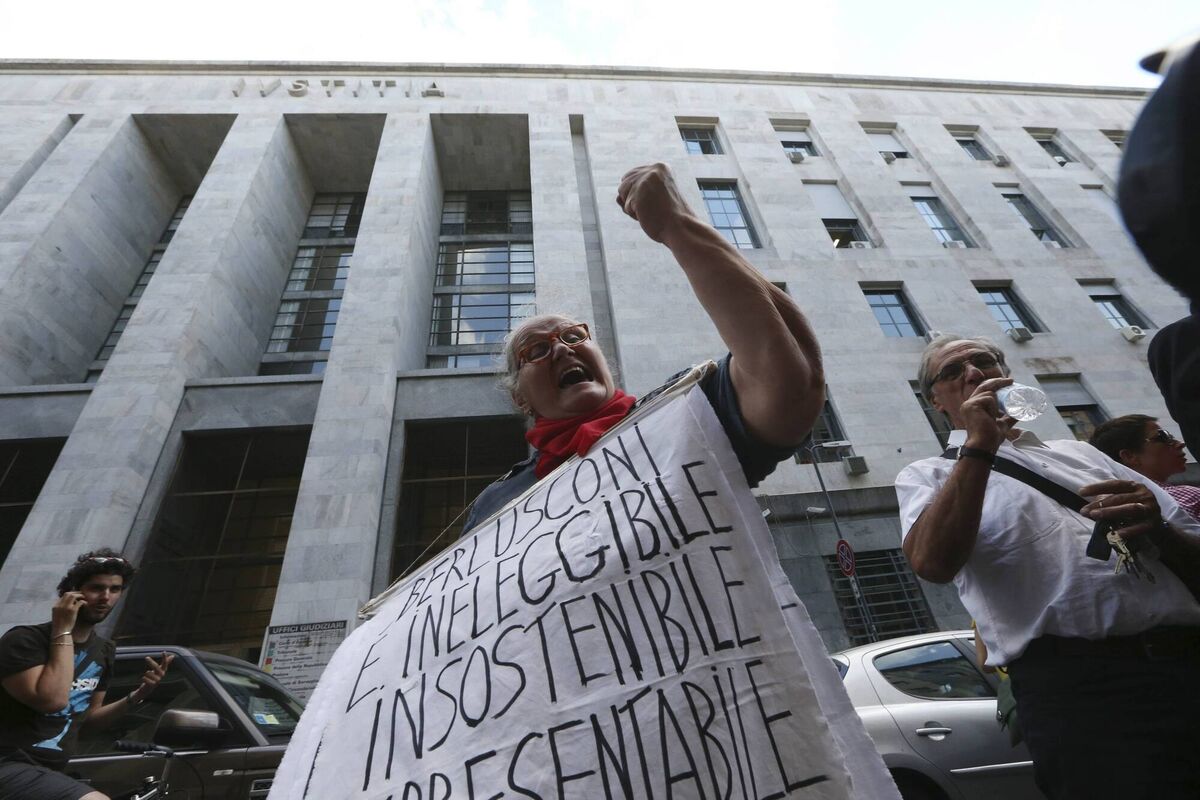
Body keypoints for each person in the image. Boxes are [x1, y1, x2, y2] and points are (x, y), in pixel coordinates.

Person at [895, 334, 1200, 800]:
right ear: (935, 400)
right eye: (953, 372)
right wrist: (980, 445)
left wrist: (1157, 527)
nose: (974, 373)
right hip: (1084, 696)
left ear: (1006, 375)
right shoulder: (927, 476)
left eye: (983, 362)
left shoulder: (1080, 453)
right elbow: (931, 562)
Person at [462, 162, 825, 531]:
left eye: (574, 336)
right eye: (537, 351)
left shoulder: (684, 415)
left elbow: (790, 380)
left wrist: (678, 224)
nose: (562, 349)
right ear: (520, 398)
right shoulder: (496, 505)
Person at [0, 549, 173, 800]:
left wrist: (137, 696)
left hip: (50, 770)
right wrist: (62, 627)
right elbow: (53, 701)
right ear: (71, 592)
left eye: (115, 590)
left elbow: (88, 722)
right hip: (8, 762)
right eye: (96, 588)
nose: (106, 597)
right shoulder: (25, 640)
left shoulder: (104, 650)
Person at [1090, 414, 1200, 522]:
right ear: (1130, 456)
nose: (1180, 443)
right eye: (1163, 437)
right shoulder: (1190, 498)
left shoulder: (1112, 515)